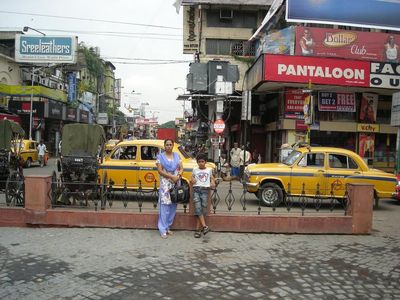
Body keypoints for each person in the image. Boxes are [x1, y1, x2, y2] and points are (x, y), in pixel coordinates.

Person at [155, 139, 184, 239]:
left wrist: (178, 175)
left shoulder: (177, 156)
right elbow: (159, 171)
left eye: (170, 144)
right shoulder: (160, 157)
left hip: (175, 183)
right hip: (165, 184)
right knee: (164, 207)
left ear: (173, 146)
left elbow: (181, 168)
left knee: (173, 206)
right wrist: (171, 176)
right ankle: (162, 229)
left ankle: (167, 227)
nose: (169, 146)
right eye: (167, 145)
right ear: (164, 146)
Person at [190, 153, 215, 238]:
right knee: (198, 208)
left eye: (202, 161)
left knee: (201, 210)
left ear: (205, 162)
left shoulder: (209, 170)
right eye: (199, 162)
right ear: (197, 162)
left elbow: (212, 179)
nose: (201, 163)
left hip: (205, 191)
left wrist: (212, 182)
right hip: (196, 190)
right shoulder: (195, 169)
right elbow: (192, 178)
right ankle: (204, 226)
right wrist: (192, 180)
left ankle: (198, 230)